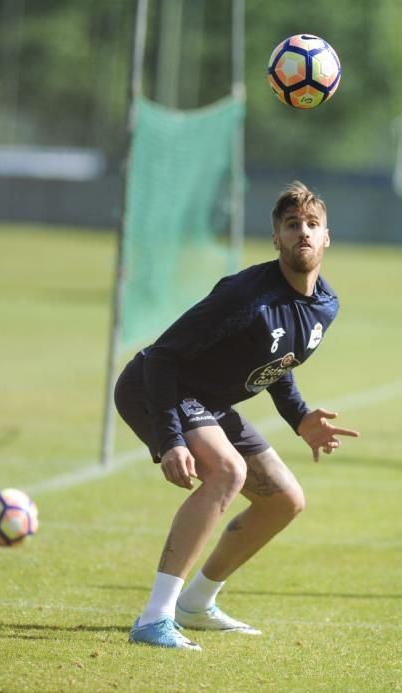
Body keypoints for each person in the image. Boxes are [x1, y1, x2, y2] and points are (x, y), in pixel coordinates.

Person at [114, 181, 359, 650]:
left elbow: (278, 362)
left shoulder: (325, 306)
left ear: (327, 237)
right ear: (276, 238)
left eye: (312, 225)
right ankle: (153, 620)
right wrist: (171, 440)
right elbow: (162, 357)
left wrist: (301, 418)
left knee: (285, 500)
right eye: (291, 226)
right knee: (228, 472)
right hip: (156, 387)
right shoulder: (245, 294)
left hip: (209, 402)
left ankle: (196, 604)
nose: (302, 233)